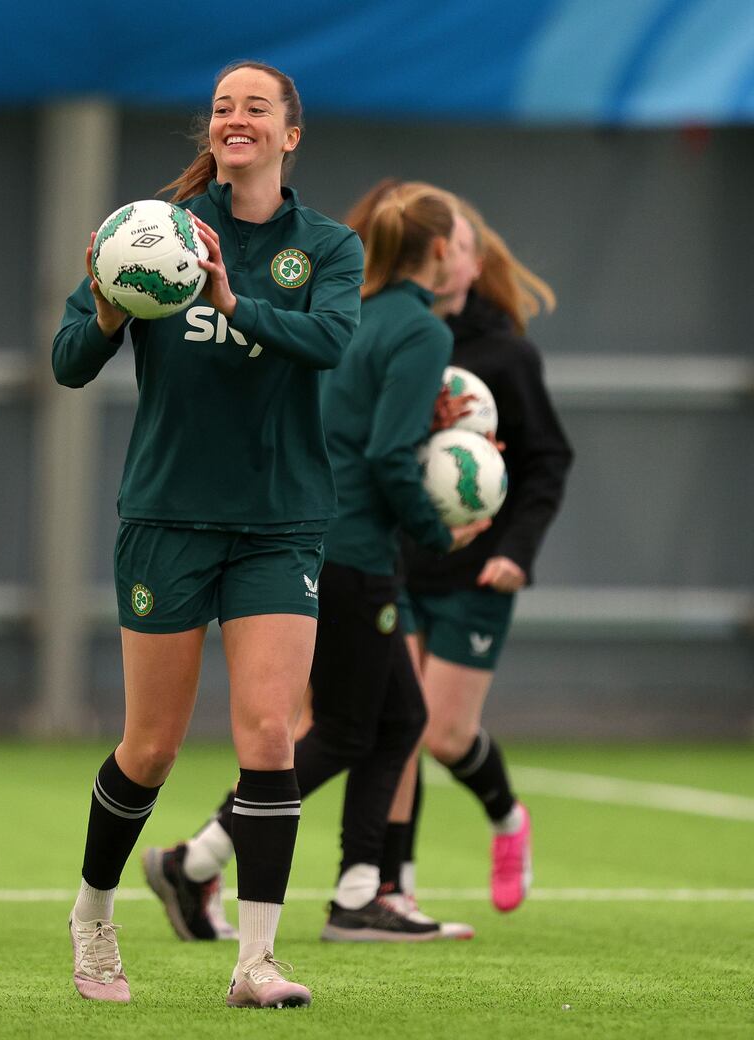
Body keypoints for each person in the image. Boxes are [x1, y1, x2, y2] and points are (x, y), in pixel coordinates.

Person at [52, 60, 364, 1008]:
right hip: (167, 519)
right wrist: (110, 305)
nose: (237, 119)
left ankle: (256, 961)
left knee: (270, 732)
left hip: (279, 523)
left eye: (256, 108)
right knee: (151, 746)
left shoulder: (329, 246)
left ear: (289, 134)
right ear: (215, 133)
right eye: (224, 107)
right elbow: (69, 363)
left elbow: (331, 343)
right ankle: (94, 920)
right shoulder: (150, 233)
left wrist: (232, 305)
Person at [143, 181, 488, 944]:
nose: (474, 260)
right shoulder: (420, 330)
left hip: (310, 532)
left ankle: (358, 886)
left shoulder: (354, 313)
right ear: (437, 252)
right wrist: (439, 536)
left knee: (399, 717)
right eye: (466, 245)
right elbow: (392, 458)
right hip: (353, 548)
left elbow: (350, 418)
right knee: (343, 728)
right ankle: (205, 861)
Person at [377, 195, 574, 915]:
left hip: (478, 569)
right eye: (435, 245)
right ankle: (394, 885)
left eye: (456, 246)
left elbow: (548, 460)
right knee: (397, 729)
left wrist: (518, 549)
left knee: (443, 732)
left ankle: (506, 816)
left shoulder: (506, 356)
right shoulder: (391, 336)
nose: (443, 256)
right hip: (400, 558)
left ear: (473, 262)